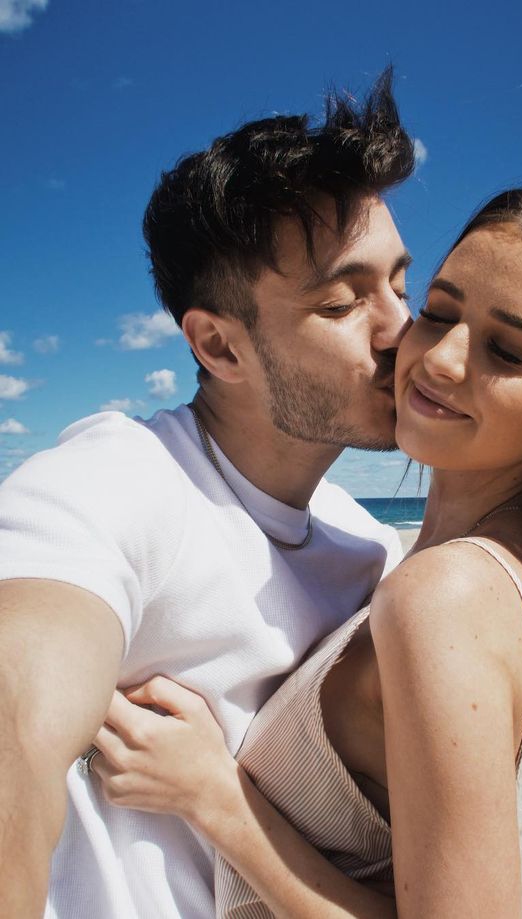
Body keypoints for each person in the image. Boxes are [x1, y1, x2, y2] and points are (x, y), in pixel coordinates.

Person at [88, 181, 522, 917]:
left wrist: (217, 799)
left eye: (507, 351)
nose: (439, 358)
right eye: (440, 311)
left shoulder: (448, 596)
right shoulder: (495, 577)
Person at [0, 71, 416, 919]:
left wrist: (222, 799)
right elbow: (15, 722)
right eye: (343, 301)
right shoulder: (118, 479)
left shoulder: (373, 549)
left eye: (400, 285)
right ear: (219, 347)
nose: (399, 331)